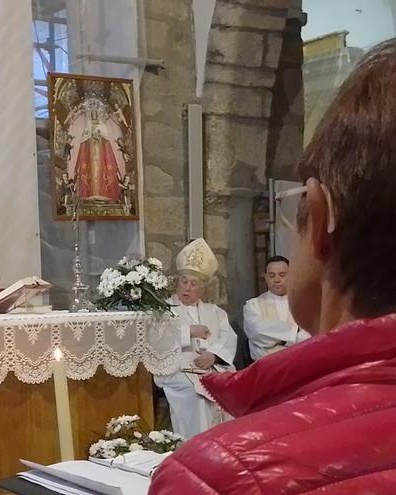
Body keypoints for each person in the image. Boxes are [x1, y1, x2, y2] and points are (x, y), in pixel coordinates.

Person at [149, 39, 396, 493]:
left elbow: (227, 340)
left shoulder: (221, 476)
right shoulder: (241, 307)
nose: (187, 289)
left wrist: (211, 349)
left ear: (320, 221)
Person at [153, 239, 237, 439]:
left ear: (203, 287)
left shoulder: (215, 312)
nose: (187, 288)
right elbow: (156, 340)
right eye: (184, 281)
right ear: (177, 281)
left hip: (211, 368)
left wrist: (214, 355)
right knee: (198, 398)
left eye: (194, 283)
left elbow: (228, 337)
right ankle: (195, 447)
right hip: (178, 370)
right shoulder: (163, 310)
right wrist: (188, 331)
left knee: (233, 391)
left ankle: (227, 449)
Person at [242, 255, 310, 361]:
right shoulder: (253, 305)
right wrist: (295, 332)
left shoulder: (304, 303)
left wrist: (276, 338)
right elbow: (257, 332)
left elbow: (311, 336)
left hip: (301, 362)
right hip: (266, 367)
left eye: (282, 275)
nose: (277, 280)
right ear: (265, 277)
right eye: (272, 275)